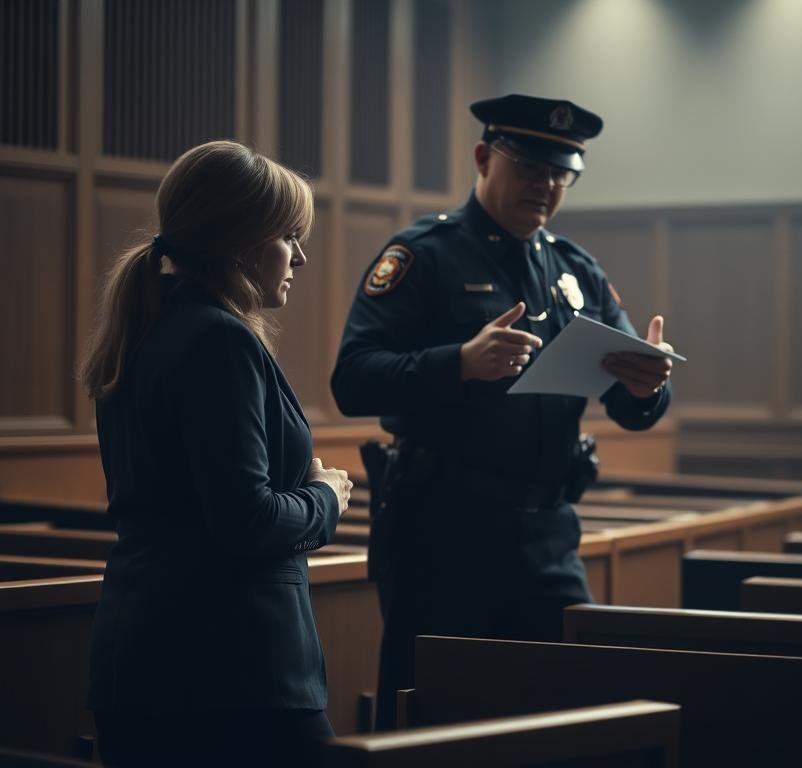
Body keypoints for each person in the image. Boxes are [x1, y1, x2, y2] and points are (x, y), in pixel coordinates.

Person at [331, 93, 675, 730]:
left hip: (548, 534)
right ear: (484, 158)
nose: (545, 186)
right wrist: (459, 361)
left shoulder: (576, 270)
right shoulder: (424, 255)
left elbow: (634, 408)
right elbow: (351, 381)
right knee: (433, 721)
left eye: (560, 174)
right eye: (529, 169)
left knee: (568, 718)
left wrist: (649, 384)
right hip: (443, 534)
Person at [79, 140, 352, 767]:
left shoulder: (148, 329)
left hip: (145, 659)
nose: (301, 256)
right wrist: (326, 497)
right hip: (232, 673)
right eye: (289, 236)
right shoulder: (219, 340)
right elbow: (246, 521)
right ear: (242, 242)